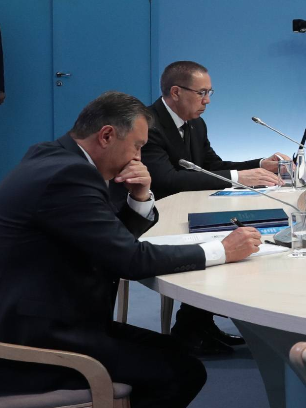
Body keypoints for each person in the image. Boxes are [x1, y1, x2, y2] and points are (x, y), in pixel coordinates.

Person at [0, 92, 262, 408]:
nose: (138, 158)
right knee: (183, 373)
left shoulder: (51, 155)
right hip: (37, 340)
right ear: (107, 135)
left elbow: (109, 242)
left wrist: (139, 197)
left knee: (176, 350)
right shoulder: (69, 175)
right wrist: (221, 250)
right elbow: (130, 260)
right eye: (137, 146)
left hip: (49, 318)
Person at [138, 61, 287, 355]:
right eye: (202, 93)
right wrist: (238, 178)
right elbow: (167, 180)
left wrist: (259, 165)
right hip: (156, 217)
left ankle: (198, 324)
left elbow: (212, 166)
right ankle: (190, 329)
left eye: (210, 93)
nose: (207, 101)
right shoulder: (149, 125)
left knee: (239, 236)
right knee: (226, 243)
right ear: (176, 92)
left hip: (189, 209)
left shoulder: (195, 122)